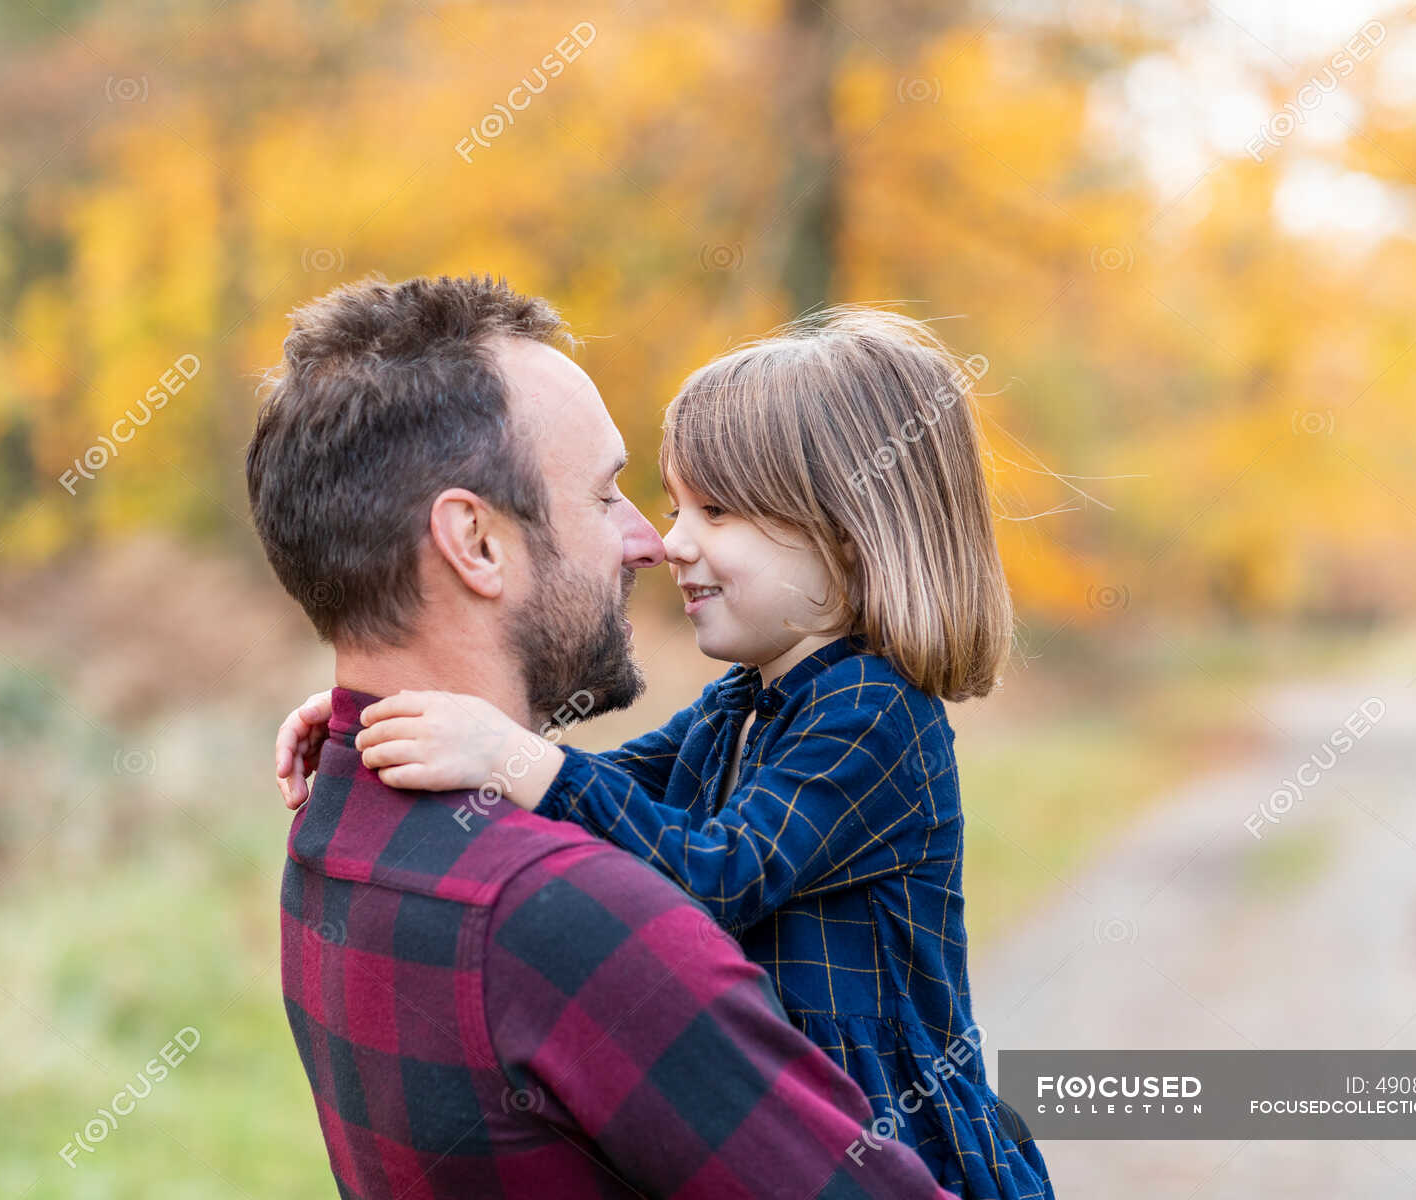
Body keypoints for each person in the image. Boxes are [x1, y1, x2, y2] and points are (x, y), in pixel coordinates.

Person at [275, 308, 1055, 1199]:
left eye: (716, 512)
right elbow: (619, 786)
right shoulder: (745, 702)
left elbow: (719, 870)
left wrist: (513, 760)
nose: (669, 542)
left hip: (898, 1134)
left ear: (845, 535)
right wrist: (395, 716)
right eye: (673, 505)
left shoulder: (877, 716)